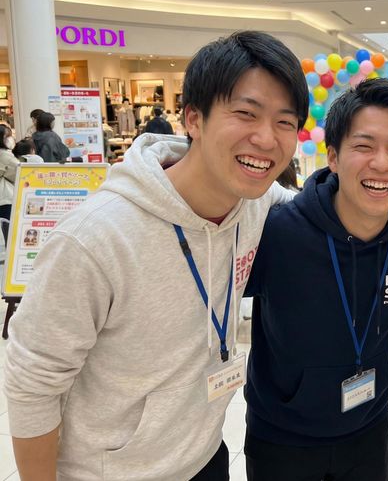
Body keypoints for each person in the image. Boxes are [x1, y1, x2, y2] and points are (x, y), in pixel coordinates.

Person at [5, 31, 309, 480]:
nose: (266, 138)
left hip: (205, 457)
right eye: (246, 113)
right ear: (194, 118)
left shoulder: (257, 203)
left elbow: (317, 210)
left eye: (285, 122)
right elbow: (32, 385)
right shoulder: (93, 239)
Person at [244, 78, 388, 481]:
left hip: (368, 430)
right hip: (282, 438)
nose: (381, 164)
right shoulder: (278, 232)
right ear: (332, 156)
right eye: (364, 146)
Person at [0, 123, 20, 220]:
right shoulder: (4, 155)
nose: (11, 139)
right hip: (5, 199)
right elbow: (19, 173)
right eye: (7, 136)